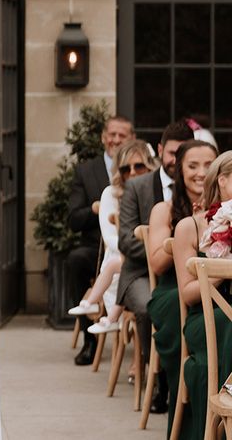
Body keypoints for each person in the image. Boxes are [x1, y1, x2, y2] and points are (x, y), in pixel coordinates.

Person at [117, 120, 194, 411]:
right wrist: (166, 249)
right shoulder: (137, 186)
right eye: (172, 153)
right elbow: (126, 239)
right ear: (160, 150)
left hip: (186, 273)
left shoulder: (198, 184)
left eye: (182, 154)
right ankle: (159, 380)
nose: (176, 160)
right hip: (139, 272)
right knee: (150, 305)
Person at [147, 139, 217, 431]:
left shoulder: (225, 207)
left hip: (216, 291)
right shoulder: (166, 209)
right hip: (173, 288)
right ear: (179, 171)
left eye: (208, 166)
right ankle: (178, 391)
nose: (201, 173)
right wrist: (188, 230)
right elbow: (156, 264)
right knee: (182, 316)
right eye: (192, 166)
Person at [68, 139, 157, 334]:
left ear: (150, 166)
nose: (132, 172)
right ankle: (100, 311)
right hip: (124, 254)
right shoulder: (111, 194)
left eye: (139, 166)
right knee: (120, 265)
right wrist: (140, 249)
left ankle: (106, 315)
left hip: (151, 258)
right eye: (126, 168)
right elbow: (110, 239)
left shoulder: (158, 192)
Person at [172, 150, 232, 440]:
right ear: (222, 181)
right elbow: (187, 294)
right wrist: (223, 265)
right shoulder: (190, 226)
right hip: (204, 319)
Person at [67, 115, 134, 365]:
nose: (115, 140)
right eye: (112, 134)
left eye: (122, 135)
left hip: (126, 245)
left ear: (131, 139)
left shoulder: (138, 167)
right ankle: (89, 339)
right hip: (94, 245)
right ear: (103, 137)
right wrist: (95, 209)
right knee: (75, 261)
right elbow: (73, 219)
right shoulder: (85, 170)